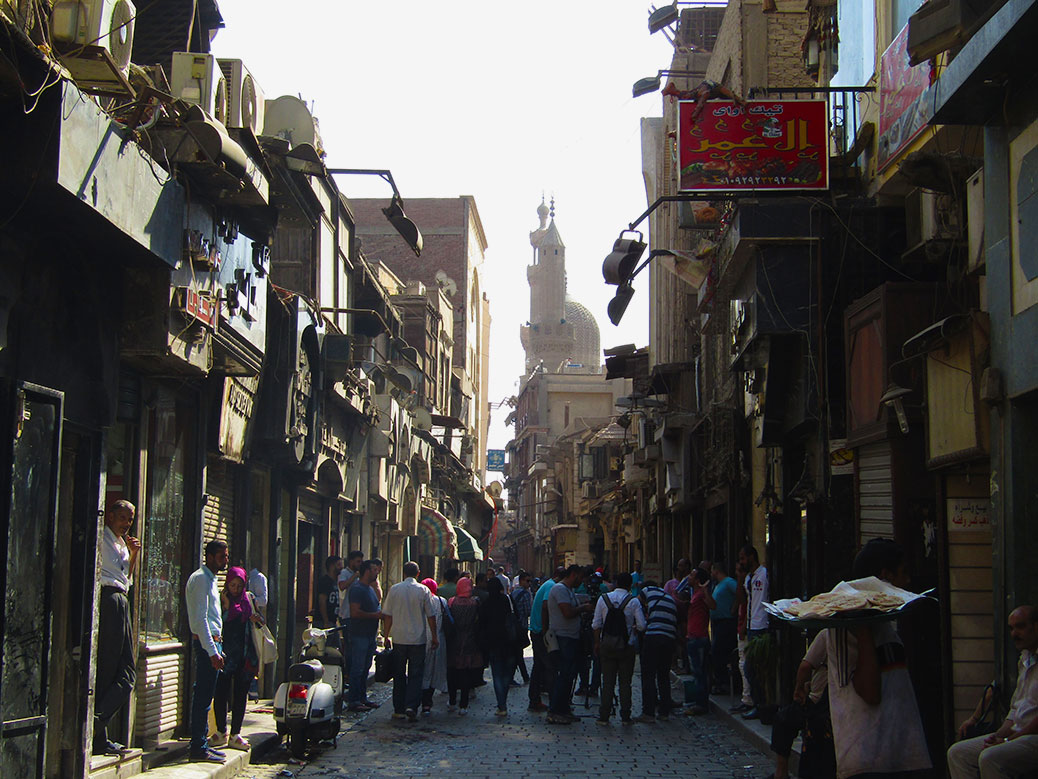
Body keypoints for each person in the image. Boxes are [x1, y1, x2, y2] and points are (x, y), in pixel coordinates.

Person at [802, 538, 931, 778]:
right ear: (885, 576)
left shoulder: (884, 627)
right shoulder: (848, 628)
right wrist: (862, 626)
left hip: (900, 755)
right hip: (869, 762)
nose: (908, 581)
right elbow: (869, 691)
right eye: (903, 572)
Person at [947, 604, 1038, 778]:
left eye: (1020, 627)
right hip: (1017, 734)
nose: (1014, 634)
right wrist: (997, 736)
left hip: (1032, 736)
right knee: (958, 753)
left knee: (990, 758)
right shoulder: (1025, 659)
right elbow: (1015, 710)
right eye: (1011, 629)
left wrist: (1006, 741)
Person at [93, 500, 140, 755]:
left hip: (121, 597)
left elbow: (127, 579)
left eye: (130, 520)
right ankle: (96, 730)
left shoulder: (123, 543)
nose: (126, 524)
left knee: (126, 673)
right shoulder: (102, 538)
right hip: (109, 599)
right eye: (122, 518)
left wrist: (133, 555)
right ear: (110, 516)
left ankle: (97, 727)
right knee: (111, 669)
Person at [211, 566, 264, 752]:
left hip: (245, 655)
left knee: (241, 696)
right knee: (221, 693)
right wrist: (226, 606)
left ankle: (236, 734)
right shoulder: (221, 598)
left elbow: (262, 622)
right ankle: (220, 731)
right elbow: (216, 622)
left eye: (239, 585)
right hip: (225, 655)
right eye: (232, 585)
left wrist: (256, 618)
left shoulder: (249, 599)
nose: (235, 589)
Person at [186, 539, 229, 763]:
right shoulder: (201, 579)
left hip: (213, 642)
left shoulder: (210, 579)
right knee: (202, 696)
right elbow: (200, 619)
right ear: (210, 556)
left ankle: (201, 744)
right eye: (222, 556)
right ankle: (198, 747)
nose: (225, 561)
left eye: (226, 556)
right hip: (207, 644)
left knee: (206, 696)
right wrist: (212, 651)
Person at [768, 634, 834, 779]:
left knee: (782, 720)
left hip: (820, 703)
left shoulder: (828, 634)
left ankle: (781, 773)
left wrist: (798, 689)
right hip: (830, 700)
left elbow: (805, 666)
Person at [382, 561, 437, 721]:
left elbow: (388, 615)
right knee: (416, 673)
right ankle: (411, 706)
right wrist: (434, 636)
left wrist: (386, 636)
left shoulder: (394, 589)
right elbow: (431, 615)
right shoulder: (423, 590)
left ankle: (398, 708)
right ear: (418, 574)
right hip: (417, 638)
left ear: (403, 573)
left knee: (398, 674)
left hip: (399, 638)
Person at [592, 571, 645, 725]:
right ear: (630, 585)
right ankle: (626, 716)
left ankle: (604, 715)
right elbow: (642, 626)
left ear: (615, 583)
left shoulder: (603, 599)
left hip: (607, 646)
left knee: (607, 682)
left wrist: (597, 643)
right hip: (626, 647)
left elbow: (596, 624)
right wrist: (633, 628)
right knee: (625, 683)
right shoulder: (633, 601)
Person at [546, 564, 595, 724]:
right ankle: (554, 711)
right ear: (573, 575)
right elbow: (567, 613)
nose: (581, 582)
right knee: (563, 675)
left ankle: (564, 709)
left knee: (569, 676)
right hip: (563, 637)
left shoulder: (569, 591)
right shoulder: (560, 589)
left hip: (571, 637)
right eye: (580, 578)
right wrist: (584, 608)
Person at [637, 578, 679, 722]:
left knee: (648, 674)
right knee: (663, 675)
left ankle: (648, 713)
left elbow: (637, 604)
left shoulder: (647, 590)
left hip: (654, 636)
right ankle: (664, 712)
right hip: (669, 638)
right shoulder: (670, 598)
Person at [479, 577, 519, 716]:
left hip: (493, 643)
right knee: (507, 674)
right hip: (509, 641)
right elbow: (517, 617)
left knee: (497, 674)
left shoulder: (486, 603)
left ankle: (501, 705)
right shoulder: (507, 600)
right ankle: (503, 700)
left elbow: (481, 625)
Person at [347, 560, 383, 712]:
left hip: (369, 635)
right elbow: (355, 612)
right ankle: (354, 700)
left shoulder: (369, 588)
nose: (377, 572)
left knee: (366, 667)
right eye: (374, 569)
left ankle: (362, 697)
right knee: (358, 668)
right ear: (367, 571)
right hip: (359, 634)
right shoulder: (357, 588)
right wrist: (375, 615)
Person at [528, 567, 565, 713]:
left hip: (537, 631)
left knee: (539, 667)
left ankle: (534, 700)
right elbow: (545, 606)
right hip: (540, 632)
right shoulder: (552, 586)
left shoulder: (548, 584)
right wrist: (546, 632)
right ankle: (554, 702)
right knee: (550, 666)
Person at [740, 545, 770, 719]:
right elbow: (747, 601)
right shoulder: (748, 578)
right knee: (749, 668)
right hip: (752, 626)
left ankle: (762, 704)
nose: (742, 562)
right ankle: (758, 703)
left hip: (762, 625)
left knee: (754, 668)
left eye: (743, 558)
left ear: (752, 557)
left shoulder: (764, 575)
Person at [446, 576, 483, 714]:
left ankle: (451, 701)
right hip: (469, 640)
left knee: (452, 672)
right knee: (466, 674)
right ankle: (464, 704)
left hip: (454, 641)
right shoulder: (475, 603)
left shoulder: (451, 602)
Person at [684, 567, 716, 715]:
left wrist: (705, 590)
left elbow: (712, 605)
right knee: (697, 671)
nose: (688, 577)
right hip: (692, 637)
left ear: (697, 580)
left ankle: (701, 704)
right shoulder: (694, 593)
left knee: (700, 672)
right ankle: (698, 701)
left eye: (691, 575)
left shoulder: (701, 594)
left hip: (699, 637)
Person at [419, 578, 449, 715]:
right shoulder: (442, 601)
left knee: (421, 670)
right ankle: (427, 703)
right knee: (433, 672)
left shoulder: (419, 600)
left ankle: (418, 700)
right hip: (437, 640)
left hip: (421, 639)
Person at [730, 560, 755, 714]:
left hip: (748, 627)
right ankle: (746, 698)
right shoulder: (746, 583)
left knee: (745, 663)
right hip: (743, 625)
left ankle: (749, 699)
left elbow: (747, 604)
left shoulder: (749, 582)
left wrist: (744, 625)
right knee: (742, 663)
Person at [710, 561, 738, 694]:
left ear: (716, 570)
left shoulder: (728, 582)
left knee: (719, 652)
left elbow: (739, 592)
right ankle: (721, 682)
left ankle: (725, 683)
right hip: (718, 622)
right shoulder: (718, 585)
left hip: (726, 622)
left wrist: (734, 608)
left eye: (712, 571)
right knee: (717, 653)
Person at [510, 572, 533, 684]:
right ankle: (524, 676)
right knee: (518, 653)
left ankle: (513, 677)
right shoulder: (525, 594)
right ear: (522, 580)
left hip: (513, 626)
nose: (529, 584)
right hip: (522, 626)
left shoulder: (514, 592)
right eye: (527, 581)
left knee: (516, 652)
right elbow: (529, 611)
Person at [315, 555, 343, 631]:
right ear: (331, 566)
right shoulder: (325, 581)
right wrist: (326, 621)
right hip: (323, 622)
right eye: (339, 565)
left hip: (332, 622)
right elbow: (322, 601)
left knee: (335, 642)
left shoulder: (334, 582)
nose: (341, 567)